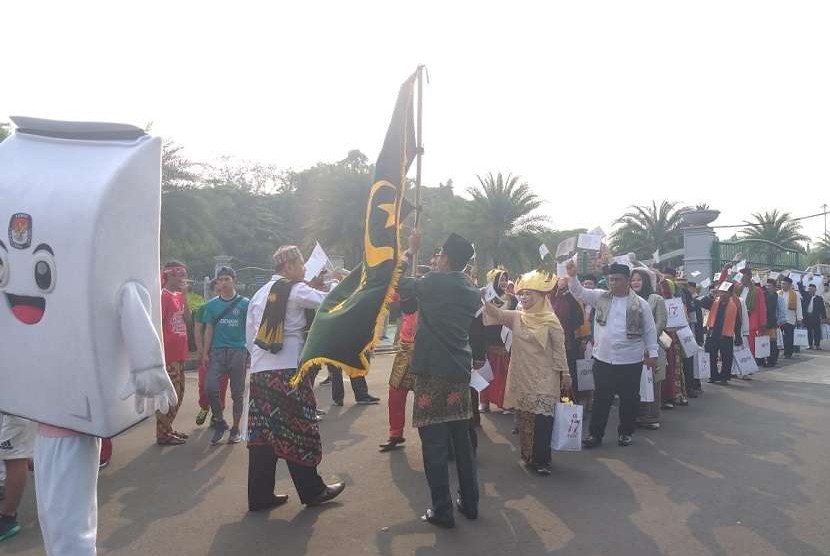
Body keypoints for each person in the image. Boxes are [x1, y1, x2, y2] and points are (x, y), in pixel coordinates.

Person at [245, 246, 344, 511]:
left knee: (264, 434)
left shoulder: (259, 294)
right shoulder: (294, 289)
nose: (304, 269)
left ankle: (260, 495)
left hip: (259, 373)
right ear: (288, 267)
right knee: (299, 430)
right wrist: (335, 281)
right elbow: (329, 301)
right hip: (288, 371)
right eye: (301, 264)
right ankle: (313, 490)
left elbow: (249, 338)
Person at [398, 232, 480, 528]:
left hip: (432, 372)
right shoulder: (472, 290)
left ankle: (442, 509)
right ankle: (470, 504)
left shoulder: (433, 283)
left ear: (445, 257)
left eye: (439, 256)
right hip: (458, 372)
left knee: (433, 443)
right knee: (462, 441)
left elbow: (398, 283)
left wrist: (409, 252)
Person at [483, 270, 571, 475]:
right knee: (525, 418)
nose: (523, 297)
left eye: (529, 293)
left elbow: (559, 348)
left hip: (545, 376)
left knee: (542, 419)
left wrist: (565, 373)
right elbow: (496, 314)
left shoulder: (551, 320)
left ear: (541, 296)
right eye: (521, 293)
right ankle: (528, 457)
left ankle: (542, 459)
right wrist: (486, 297)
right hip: (522, 375)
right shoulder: (517, 317)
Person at [566, 261, 658, 448]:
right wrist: (573, 276)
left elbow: (650, 330)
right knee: (602, 398)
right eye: (610, 280)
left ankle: (625, 432)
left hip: (631, 360)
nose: (613, 283)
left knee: (629, 399)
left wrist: (653, 354)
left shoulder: (641, 304)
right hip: (603, 359)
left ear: (627, 281)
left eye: (617, 280)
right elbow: (579, 293)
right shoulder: (600, 297)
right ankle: (595, 434)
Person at [381, 250, 440, 452]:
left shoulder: (441, 290)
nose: (433, 267)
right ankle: (395, 434)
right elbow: (395, 284)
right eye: (430, 264)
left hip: (428, 349)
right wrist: (410, 252)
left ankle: (433, 440)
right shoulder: (416, 287)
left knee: (426, 398)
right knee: (395, 391)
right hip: (406, 347)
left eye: (436, 263)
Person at [201, 266, 250, 445]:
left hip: (238, 351)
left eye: (226, 279)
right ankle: (220, 422)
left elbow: (251, 328)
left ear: (234, 280)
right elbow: (208, 329)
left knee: (237, 393)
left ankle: (235, 429)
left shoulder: (245, 303)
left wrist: (250, 351)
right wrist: (205, 353)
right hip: (218, 352)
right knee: (210, 388)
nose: (223, 283)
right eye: (220, 280)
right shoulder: (212, 305)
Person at [156, 261, 192, 446]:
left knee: (181, 392)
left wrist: (184, 296)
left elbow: (188, 320)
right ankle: (162, 434)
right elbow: (157, 325)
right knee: (171, 394)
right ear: (170, 275)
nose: (183, 279)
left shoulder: (178, 296)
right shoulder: (162, 296)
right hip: (168, 354)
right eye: (180, 275)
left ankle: (168, 428)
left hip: (180, 353)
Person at [630, 269, 668, 430]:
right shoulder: (629, 299)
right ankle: (636, 415)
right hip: (633, 349)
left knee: (652, 383)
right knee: (635, 383)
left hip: (652, 348)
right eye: (633, 280)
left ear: (645, 281)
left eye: (639, 280)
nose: (636, 283)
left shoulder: (656, 299)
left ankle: (651, 417)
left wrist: (649, 341)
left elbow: (661, 323)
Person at [478, 268, 518, 414]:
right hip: (487, 339)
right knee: (485, 373)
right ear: (493, 281)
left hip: (504, 340)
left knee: (503, 374)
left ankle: (504, 403)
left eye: (505, 279)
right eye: (501, 279)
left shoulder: (512, 299)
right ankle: (484, 401)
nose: (504, 282)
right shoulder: (484, 297)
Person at [195, 279, 229, 428]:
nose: (220, 291)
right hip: (207, 354)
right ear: (213, 291)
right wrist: (202, 351)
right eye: (217, 289)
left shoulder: (231, 307)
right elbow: (197, 330)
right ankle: (204, 407)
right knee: (204, 385)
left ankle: (217, 415)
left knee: (221, 386)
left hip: (224, 353)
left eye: (222, 288)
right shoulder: (204, 308)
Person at [548, 277, 586, 404]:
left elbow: (579, 319)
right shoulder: (547, 299)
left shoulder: (571, 299)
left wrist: (566, 293)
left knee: (567, 378)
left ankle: (567, 406)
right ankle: (553, 406)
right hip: (549, 347)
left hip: (568, 347)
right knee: (552, 379)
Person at [0, 415, 36, 542]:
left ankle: (8, 519)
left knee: (14, 456)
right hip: (8, 403)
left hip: (17, 406)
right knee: (13, 453)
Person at [700, 283, 743, 384]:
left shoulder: (734, 305)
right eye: (721, 292)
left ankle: (724, 377)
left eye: (724, 293)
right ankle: (713, 376)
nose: (722, 295)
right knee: (711, 355)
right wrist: (710, 295)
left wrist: (738, 336)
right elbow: (702, 303)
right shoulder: (714, 302)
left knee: (726, 357)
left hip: (726, 334)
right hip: (713, 333)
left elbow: (738, 322)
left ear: (730, 293)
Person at [778, 276, 803, 359]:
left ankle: (788, 353)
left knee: (789, 337)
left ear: (789, 285)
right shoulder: (778, 293)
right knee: (780, 337)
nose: (782, 285)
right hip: (780, 319)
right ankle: (778, 352)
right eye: (782, 284)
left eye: (784, 284)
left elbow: (799, 307)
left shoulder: (796, 294)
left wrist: (799, 318)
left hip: (790, 319)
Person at [762, 278, 784, 366]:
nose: (768, 287)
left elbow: (781, 311)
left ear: (775, 287)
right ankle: (763, 360)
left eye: (770, 286)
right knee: (763, 343)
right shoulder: (763, 295)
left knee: (773, 343)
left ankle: (772, 361)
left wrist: (779, 322)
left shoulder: (779, 297)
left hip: (774, 324)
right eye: (767, 285)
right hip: (764, 323)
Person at [803, 283, 827, 349]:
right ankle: (810, 345)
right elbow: (801, 290)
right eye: (809, 288)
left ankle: (817, 345)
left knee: (817, 331)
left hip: (816, 317)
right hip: (808, 317)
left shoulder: (819, 298)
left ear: (815, 289)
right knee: (809, 331)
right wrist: (800, 281)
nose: (810, 290)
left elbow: (822, 308)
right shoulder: (806, 296)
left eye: (811, 288)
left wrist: (824, 317)